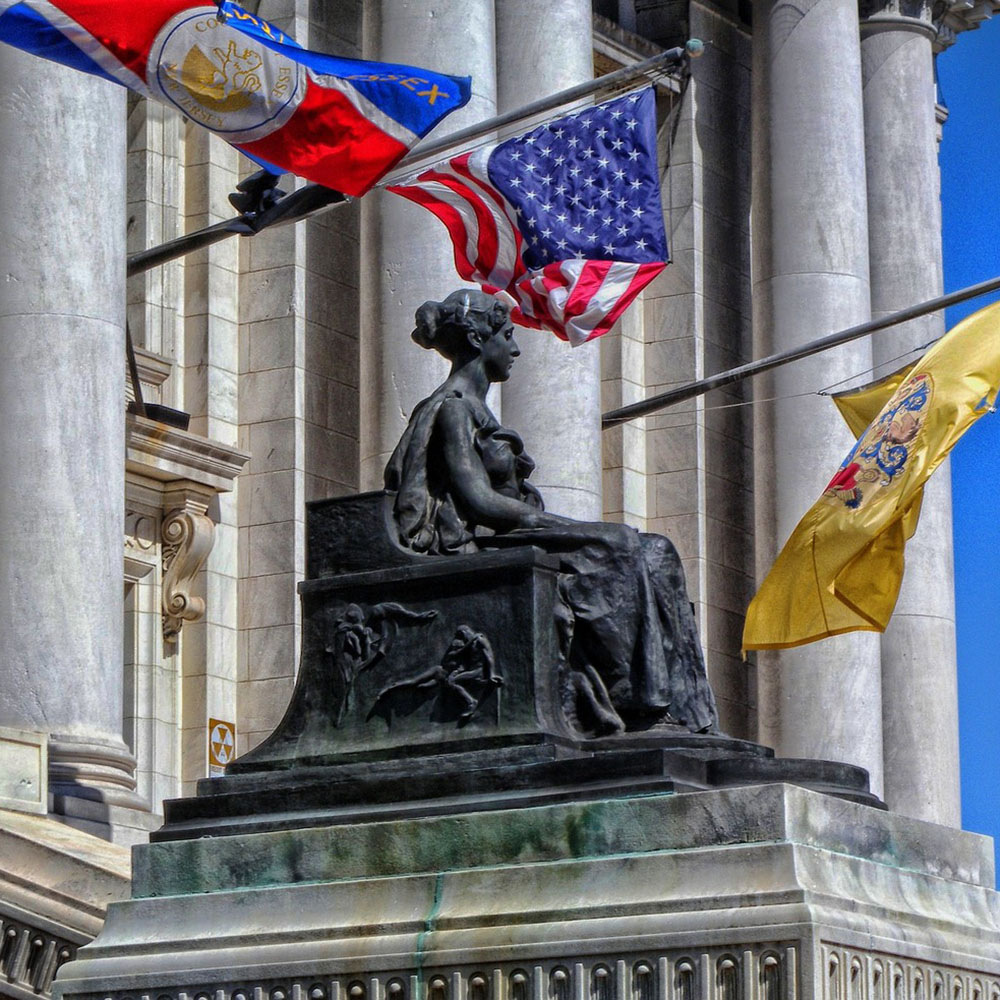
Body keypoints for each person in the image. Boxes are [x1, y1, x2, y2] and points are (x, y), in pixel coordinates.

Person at [384, 289, 718, 736]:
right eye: (507, 335)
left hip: (513, 535)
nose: (516, 348)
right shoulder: (451, 410)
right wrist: (560, 525)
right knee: (617, 545)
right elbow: (479, 502)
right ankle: (636, 704)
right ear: (478, 340)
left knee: (656, 551)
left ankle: (684, 710)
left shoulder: (476, 409)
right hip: (482, 545)